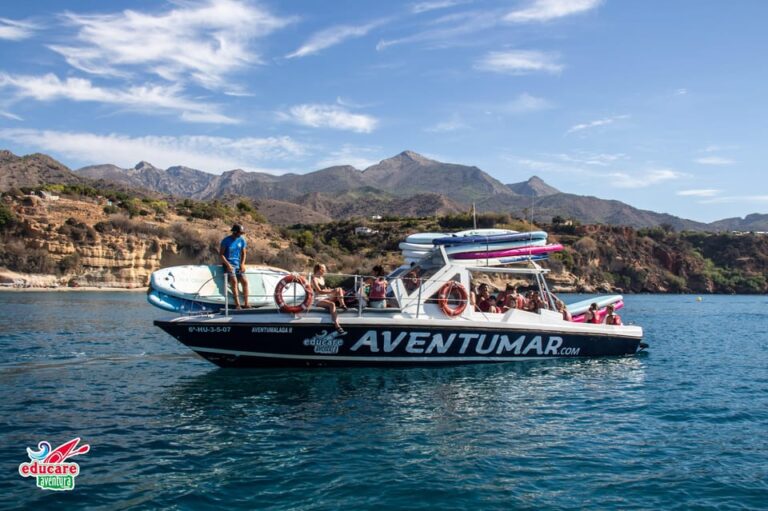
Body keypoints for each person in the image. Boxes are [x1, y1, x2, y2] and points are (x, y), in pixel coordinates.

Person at [220, 223, 249, 309]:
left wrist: (242, 264)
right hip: (228, 264)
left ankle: (246, 304)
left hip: (238, 264)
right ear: (235, 232)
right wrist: (228, 265)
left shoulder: (242, 240)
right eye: (240, 233)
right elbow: (221, 255)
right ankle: (237, 305)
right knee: (234, 281)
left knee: (245, 281)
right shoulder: (226, 241)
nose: (241, 234)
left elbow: (244, 253)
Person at [311, 263, 346, 333]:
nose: (325, 271)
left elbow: (325, 289)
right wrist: (332, 291)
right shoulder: (314, 279)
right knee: (332, 304)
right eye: (324, 269)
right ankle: (337, 325)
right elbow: (319, 291)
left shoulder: (322, 278)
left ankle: (342, 304)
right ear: (319, 270)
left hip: (326, 297)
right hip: (318, 300)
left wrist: (331, 290)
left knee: (339, 289)